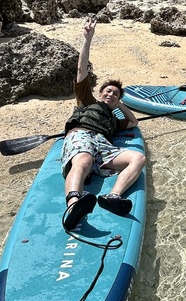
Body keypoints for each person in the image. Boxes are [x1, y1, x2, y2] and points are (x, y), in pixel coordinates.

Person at [60, 16, 146, 232]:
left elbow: (133, 121)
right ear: (100, 94)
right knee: (84, 161)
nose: (111, 94)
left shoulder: (115, 120)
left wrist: (119, 104)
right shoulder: (87, 101)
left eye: (115, 94)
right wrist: (87, 39)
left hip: (103, 145)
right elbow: (81, 70)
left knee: (138, 158)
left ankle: (113, 196)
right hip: (81, 136)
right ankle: (73, 207)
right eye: (108, 91)